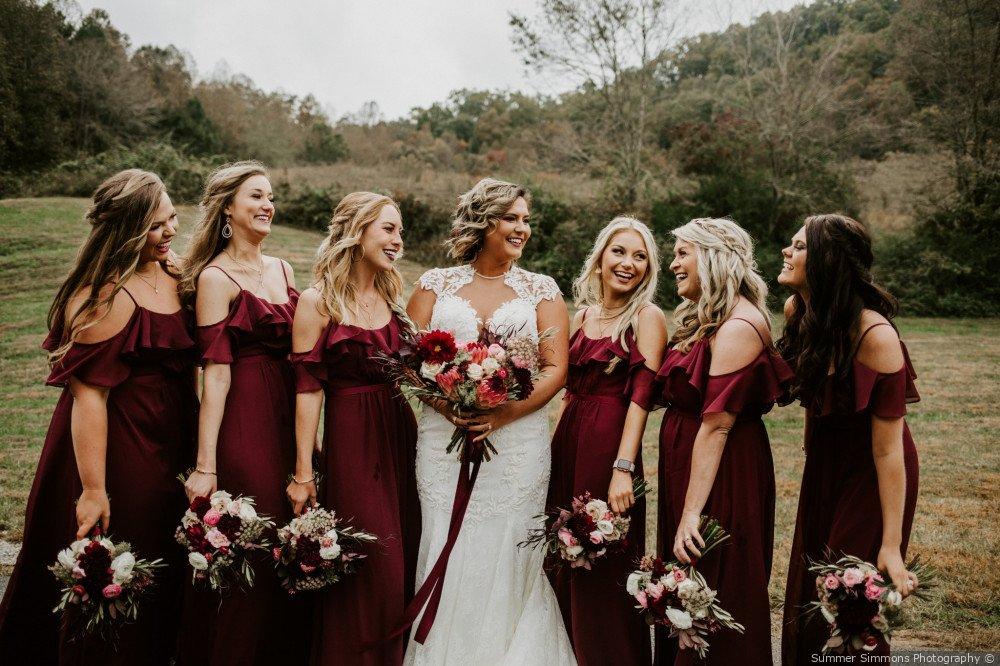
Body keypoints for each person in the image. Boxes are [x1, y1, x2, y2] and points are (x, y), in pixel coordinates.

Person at [0, 170, 197, 664]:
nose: (170, 231)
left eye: (172, 218)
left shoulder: (173, 274)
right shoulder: (101, 298)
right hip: (121, 442)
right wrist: (93, 488)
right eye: (156, 226)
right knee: (123, 556)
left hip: (172, 435)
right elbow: (90, 399)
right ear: (127, 231)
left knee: (167, 554)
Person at [404, 178, 575, 664]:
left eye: (525, 219)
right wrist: (448, 408)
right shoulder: (435, 284)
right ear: (485, 221)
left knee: (507, 545)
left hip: (517, 443)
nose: (522, 228)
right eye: (511, 218)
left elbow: (555, 368)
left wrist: (507, 413)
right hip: (443, 438)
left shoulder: (542, 290)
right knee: (444, 537)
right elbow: (410, 362)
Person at [176, 161, 306, 665]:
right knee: (253, 535)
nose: (267, 204)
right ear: (227, 207)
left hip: (288, 413)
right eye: (255, 196)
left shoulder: (283, 270)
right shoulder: (215, 277)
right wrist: (206, 464)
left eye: (270, 195)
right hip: (245, 415)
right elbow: (216, 374)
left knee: (290, 539)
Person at [777, 214, 921, 663]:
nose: (787, 250)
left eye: (799, 246)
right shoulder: (797, 311)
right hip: (825, 461)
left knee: (846, 592)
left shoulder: (876, 336)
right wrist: (810, 446)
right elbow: (810, 390)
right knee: (808, 585)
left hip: (872, 471)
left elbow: (888, 449)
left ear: (826, 261)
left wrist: (892, 544)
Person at [287, 192, 420, 665]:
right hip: (352, 440)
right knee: (374, 563)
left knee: (404, 556)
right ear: (357, 230)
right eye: (388, 228)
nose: (397, 239)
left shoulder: (391, 296)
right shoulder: (318, 301)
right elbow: (307, 390)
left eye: (399, 230)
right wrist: (304, 471)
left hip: (400, 435)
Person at [654, 217, 792, 666]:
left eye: (681, 253)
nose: (673, 263)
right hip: (694, 467)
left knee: (716, 579)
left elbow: (717, 426)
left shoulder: (738, 325)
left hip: (724, 474)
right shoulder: (709, 317)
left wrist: (691, 512)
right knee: (687, 585)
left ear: (712, 257)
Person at [548, 216, 666, 665]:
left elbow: (640, 400)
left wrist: (623, 469)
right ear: (599, 259)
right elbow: (566, 391)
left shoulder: (647, 318)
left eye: (639, 257)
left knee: (603, 561)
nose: (628, 263)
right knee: (564, 555)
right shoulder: (581, 318)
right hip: (570, 441)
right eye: (619, 252)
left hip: (609, 447)